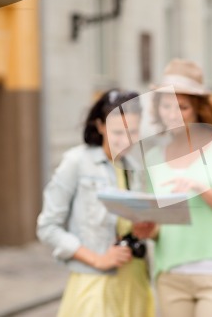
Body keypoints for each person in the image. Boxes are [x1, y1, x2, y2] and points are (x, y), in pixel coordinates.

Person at [133, 59, 212, 317]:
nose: (172, 113)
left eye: (182, 106)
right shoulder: (153, 156)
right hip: (170, 275)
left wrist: (201, 188)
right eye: (165, 105)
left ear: (198, 108)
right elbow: (161, 225)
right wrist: (148, 230)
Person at [37, 89, 154, 317]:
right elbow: (47, 228)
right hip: (94, 285)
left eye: (133, 132)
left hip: (135, 282)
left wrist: (142, 230)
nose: (125, 140)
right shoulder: (76, 162)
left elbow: (128, 225)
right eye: (117, 132)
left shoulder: (135, 168)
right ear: (100, 126)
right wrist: (99, 260)